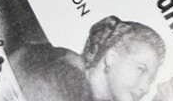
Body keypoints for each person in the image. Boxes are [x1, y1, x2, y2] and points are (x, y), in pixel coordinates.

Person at [10, 15, 165, 101]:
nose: (145, 88)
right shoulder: (59, 73)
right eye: (141, 69)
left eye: (151, 78)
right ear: (111, 58)